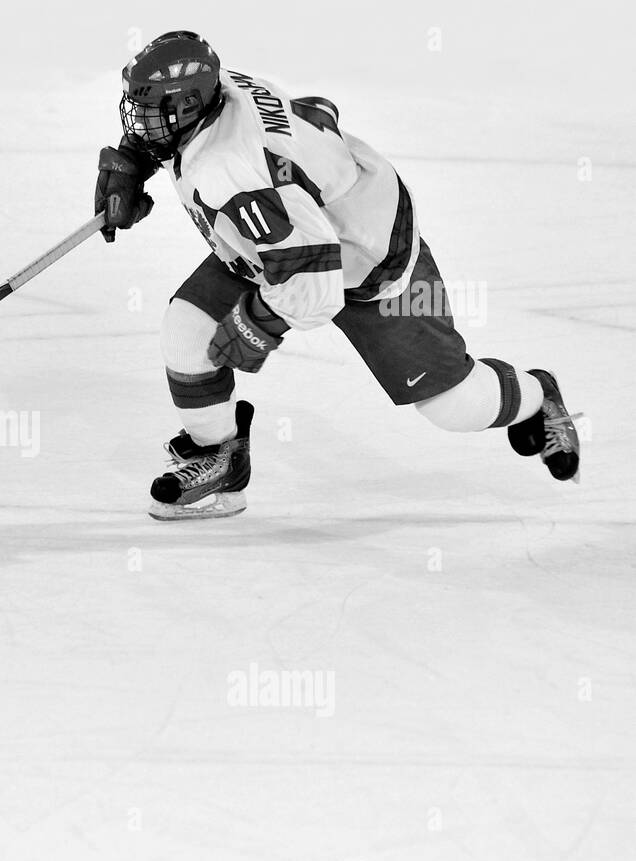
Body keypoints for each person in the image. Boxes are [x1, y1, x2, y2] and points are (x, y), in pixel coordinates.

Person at [94, 31, 581, 520]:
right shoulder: (218, 89)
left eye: (153, 111)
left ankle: (538, 394)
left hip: (372, 262)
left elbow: (314, 285)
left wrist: (255, 325)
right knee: (187, 329)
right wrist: (135, 157)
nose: (139, 121)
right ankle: (218, 457)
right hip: (290, 236)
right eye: (139, 107)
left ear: (192, 103)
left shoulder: (230, 168)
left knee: (454, 407)